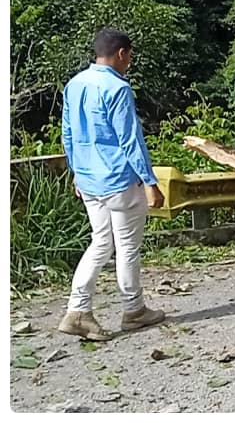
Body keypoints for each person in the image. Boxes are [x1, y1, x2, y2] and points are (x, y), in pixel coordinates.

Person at [58, 28, 166, 341]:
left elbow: (68, 134)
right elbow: (130, 139)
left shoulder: (75, 84)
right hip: (119, 179)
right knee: (127, 247)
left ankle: (78, 309)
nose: (129, 61)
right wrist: (150, 181)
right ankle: (134, 310)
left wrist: (77, 171)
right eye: (129, 55)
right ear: (121, 53)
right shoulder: (117, 88)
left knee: (101, 242)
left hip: (89, 180)